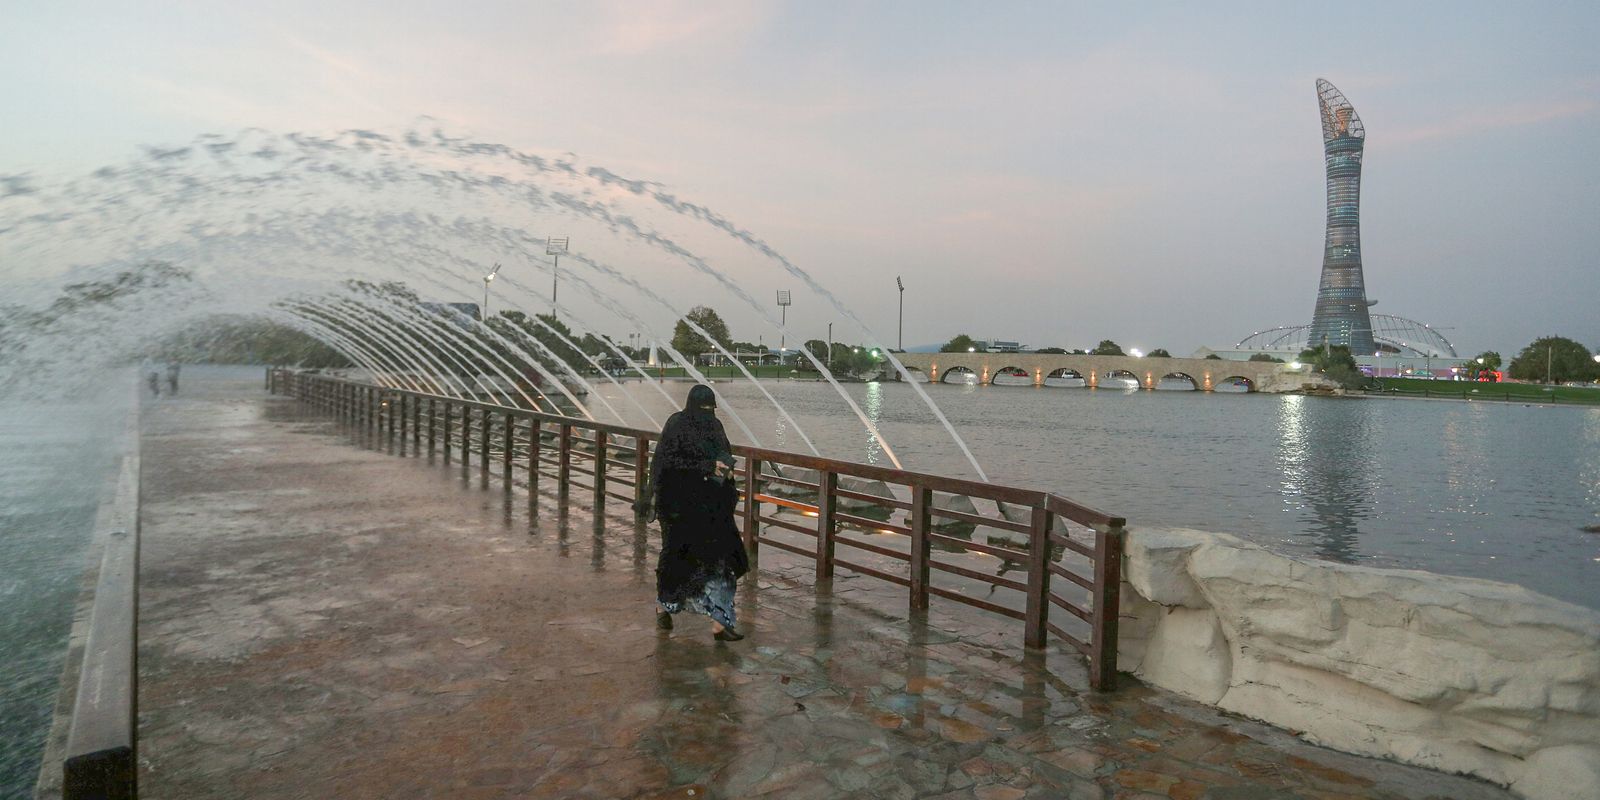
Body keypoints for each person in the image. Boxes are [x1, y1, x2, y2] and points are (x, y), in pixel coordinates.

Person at [647, 384, 749, 641]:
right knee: (677, 558)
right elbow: (667, 462)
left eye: (710, 408)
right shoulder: (676, 425)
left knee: (720, 560)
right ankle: (663, 606)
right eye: (702, 408)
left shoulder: (714, 426)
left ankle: (720, 623)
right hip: (677, 506)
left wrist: (724, 467)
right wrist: (705, 466)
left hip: (709, 506)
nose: (706, 413)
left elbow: (724, 452)